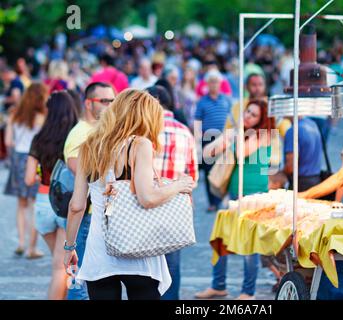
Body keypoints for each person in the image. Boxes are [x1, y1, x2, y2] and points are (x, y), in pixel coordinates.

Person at [64, 89, 194, 300]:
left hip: (100, 251)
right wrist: (178, 186)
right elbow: (147, 197)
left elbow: (76, 205)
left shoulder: (89, 146)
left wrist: (69, 247)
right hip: (138, 247)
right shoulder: (140, 144)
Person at [196, 99, 274, 300]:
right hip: (233, 195)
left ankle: (248, 292)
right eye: (247, 111)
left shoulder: (264, 136)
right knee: (220, 239)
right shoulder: (237, 133)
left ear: (262, 119)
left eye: (253, 114)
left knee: (249, 246)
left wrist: (235, 135)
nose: (248, 116)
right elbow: (206, 153)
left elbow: (241, 152)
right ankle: (218, 285)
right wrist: (226, 138)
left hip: (254, 196)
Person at [63, 82, 115, 300]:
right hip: (89, 219)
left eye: (113, 100)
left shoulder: (103, 131)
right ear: (88, 103)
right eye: (104, 101)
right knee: (82, 285)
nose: (110, 106)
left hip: (105, 219)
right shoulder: (80, 135)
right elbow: (83, 180)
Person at [147, 85, 199, 300]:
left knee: (146, 263)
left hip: (146, 202)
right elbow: (193, 176)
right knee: (172, 263)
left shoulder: (143, 131)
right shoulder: (184, 131)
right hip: (175, 205)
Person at [24, 91, 78, 299]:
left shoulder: (39, 139)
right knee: (61, 267)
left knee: (59, 267)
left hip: (42, 203)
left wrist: (41, 174)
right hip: (65, 205)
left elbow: (29, 178)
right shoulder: (73, 137)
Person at [4, 82, 48, 258]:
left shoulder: (15, 115)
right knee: (34, 204)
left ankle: (21, 242)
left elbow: (8, 142)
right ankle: (32, 247)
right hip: (34, 160)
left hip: (17, 160)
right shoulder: (42, 117)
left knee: (21, 204)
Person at [194, 69, 232, 212]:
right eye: (211, 82)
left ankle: (224, 199)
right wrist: (197, 142)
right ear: (207, 84)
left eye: (216, 81)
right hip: (208, 140)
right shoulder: (202, 102)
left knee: (224, 169)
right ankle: (213, 202)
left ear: (220, 83)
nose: (214, 84)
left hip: (224, 139)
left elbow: (231, 120)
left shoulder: (226, 100)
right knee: (209, 172)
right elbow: (197, 121)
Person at [283, 117, 323, 191]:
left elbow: (291, 166)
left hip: (300, 183)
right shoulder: (312, 124)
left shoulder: (293, 131)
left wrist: (280, 174)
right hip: (316, 180)